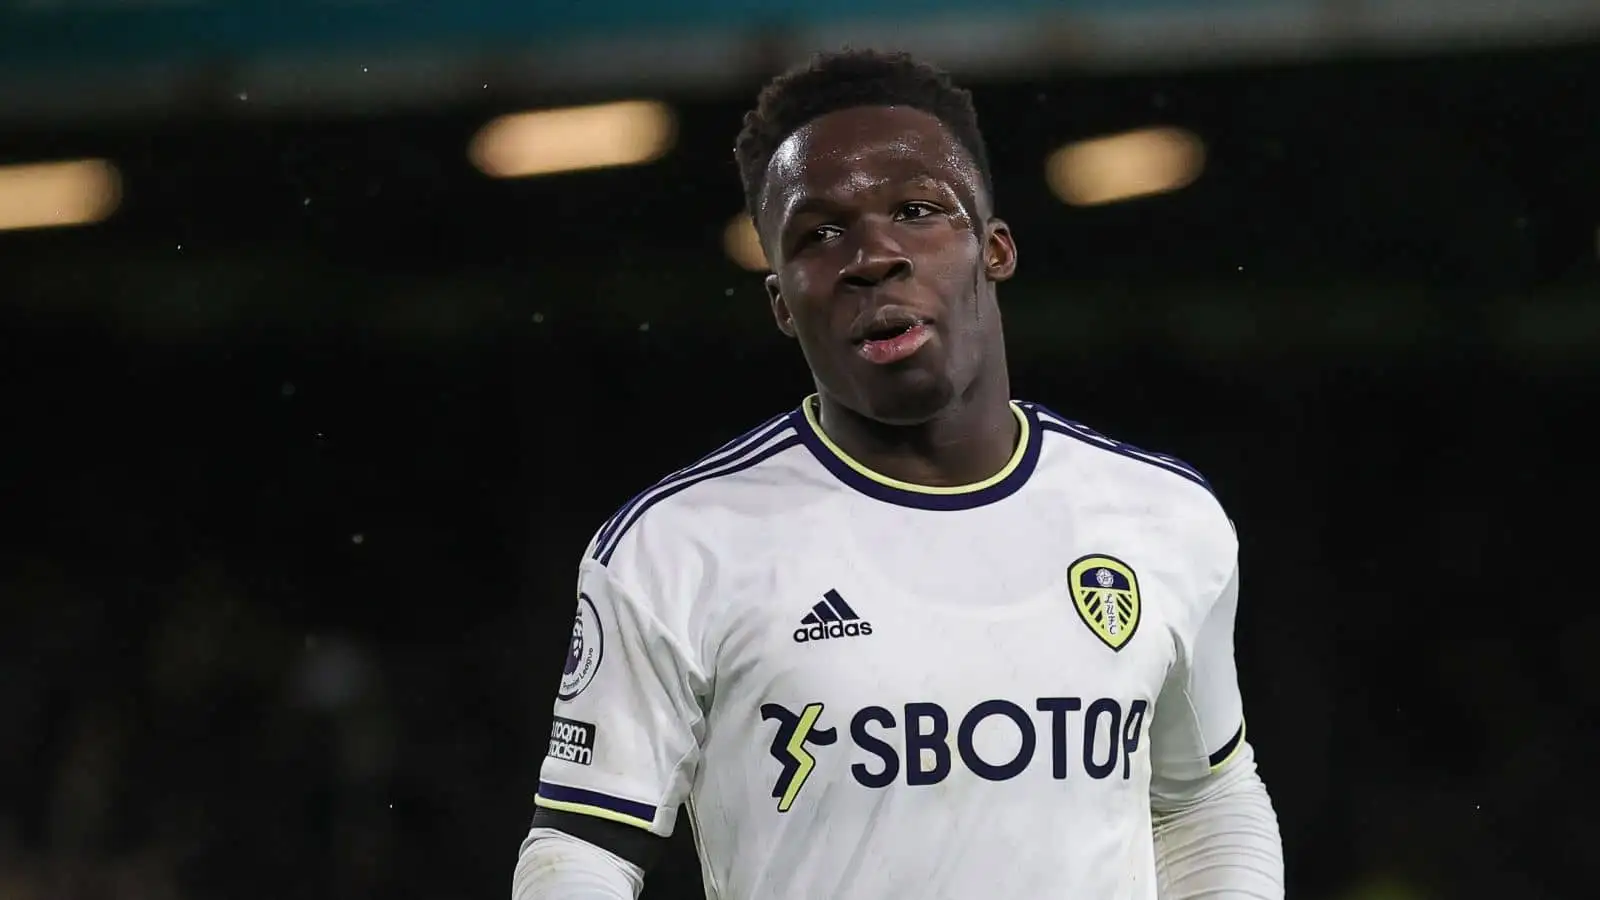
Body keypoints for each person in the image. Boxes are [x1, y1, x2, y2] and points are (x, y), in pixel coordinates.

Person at [513, 48, 1284, 900]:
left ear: (994, 249)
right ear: (781, 301)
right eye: (819, 234)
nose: (872, 255)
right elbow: (582, 852)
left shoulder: (1165, 519)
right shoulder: (674, 550)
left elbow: (1206, 797)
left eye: (917, 210)